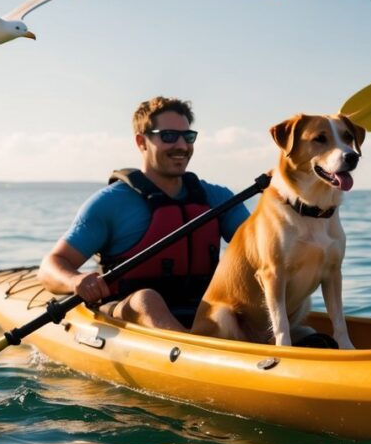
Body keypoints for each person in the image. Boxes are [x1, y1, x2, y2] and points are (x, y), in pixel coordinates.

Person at [38, 96, 249, 331]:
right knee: (146, 300)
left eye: (188, 137)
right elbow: (51, 266)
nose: (181, 145)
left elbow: (262, 249)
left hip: (202, 308)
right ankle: (189, 355)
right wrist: (76, 280)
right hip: (125, 311)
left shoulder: (217, 198)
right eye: (169, 136)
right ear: (141, 142)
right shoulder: (111, 203)